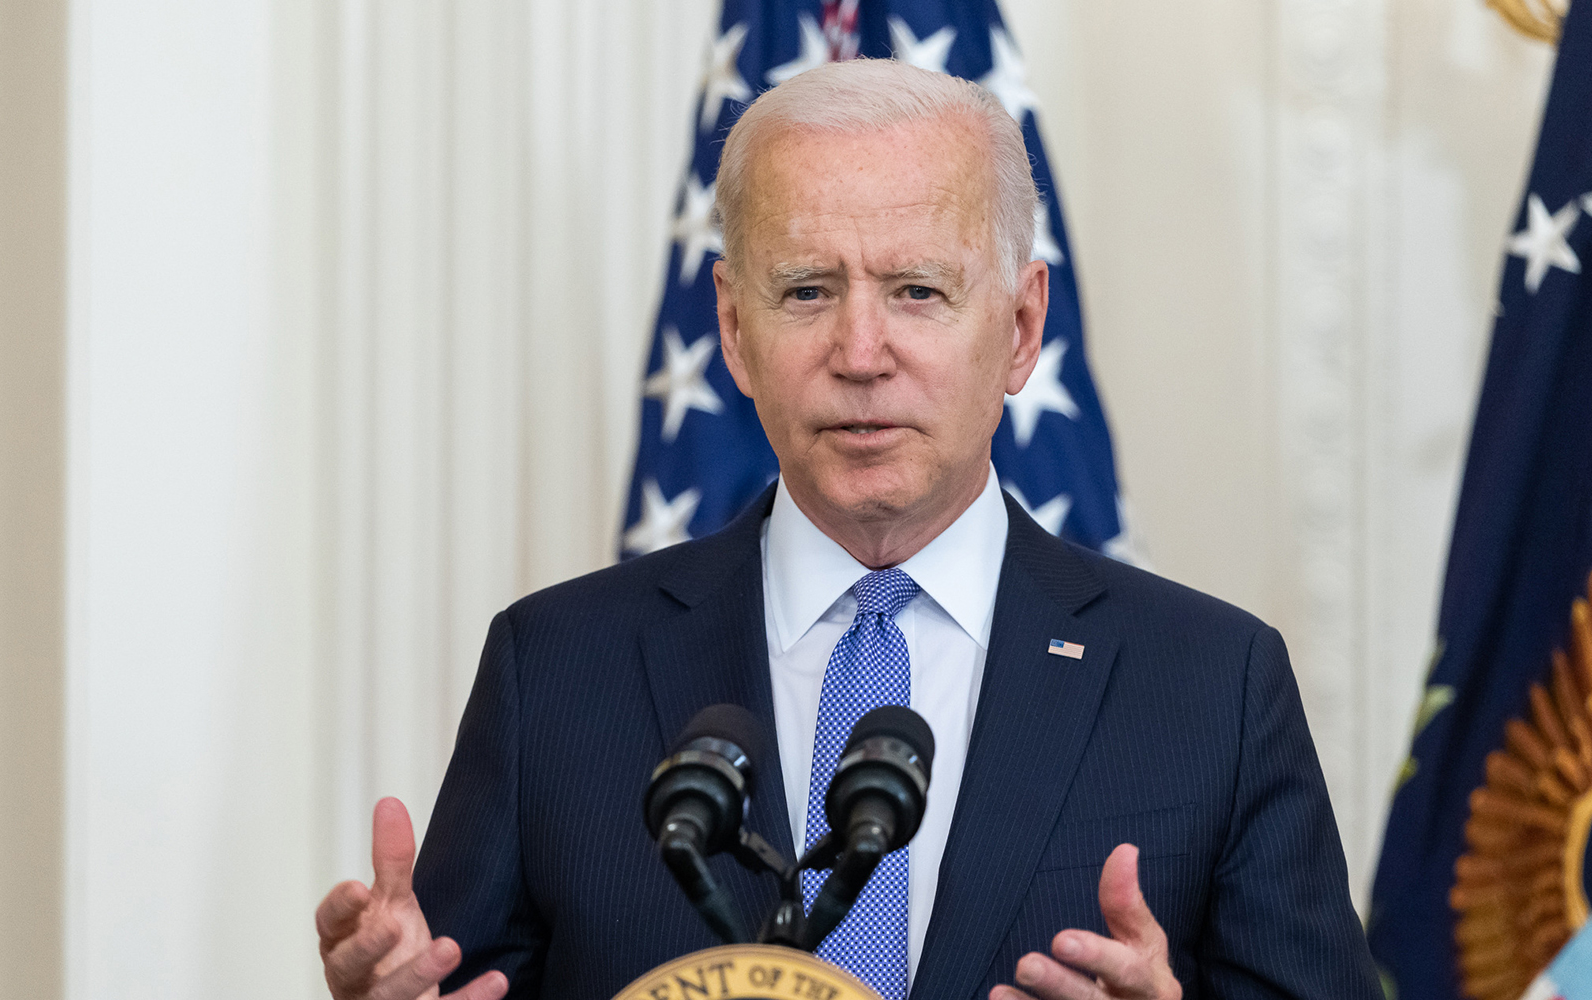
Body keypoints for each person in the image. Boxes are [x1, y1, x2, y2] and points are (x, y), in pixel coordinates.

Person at [313, 59, 1378, 1000]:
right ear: (733, 328)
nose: (860, 352)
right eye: (808, 290)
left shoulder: (1207, 686)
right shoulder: (554, 671)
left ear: (1018, 329)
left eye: (917, 290)